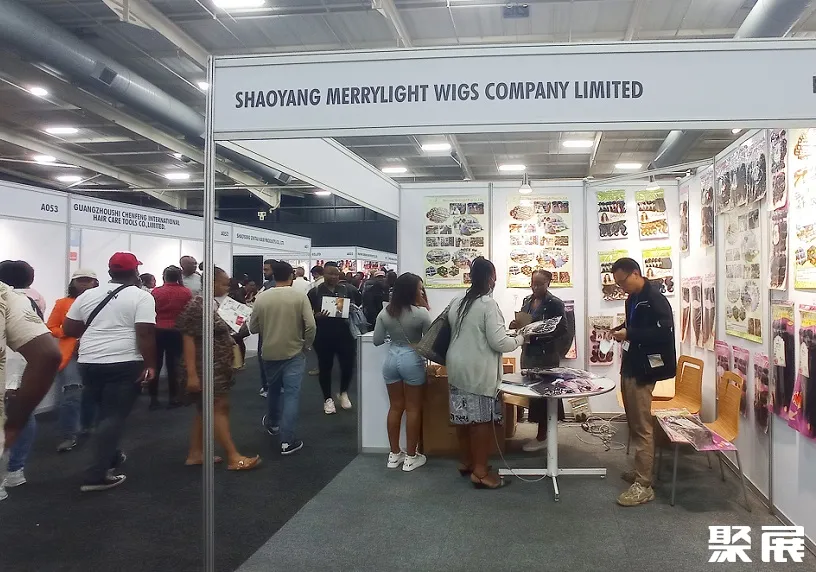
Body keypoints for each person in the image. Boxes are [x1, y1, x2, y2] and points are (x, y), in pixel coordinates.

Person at [64, 252, 157, 492]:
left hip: (89, 361)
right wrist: (150, 365)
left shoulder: (87, 295)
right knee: (113, 417)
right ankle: (96, 475)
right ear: (135, 272)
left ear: (109, 272)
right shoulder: (142, 296)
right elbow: (145, 333)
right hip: (124, 361)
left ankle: (111, 456)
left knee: (103, 414)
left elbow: (69, 328)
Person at [447, 257, 525, 489]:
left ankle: (467, 461)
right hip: (478, 371)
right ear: (491, 278)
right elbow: (499, 342)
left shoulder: (457, 300)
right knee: (480, 421)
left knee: (463, 418)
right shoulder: (487, 304)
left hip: (456, 367)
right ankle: (480, 472)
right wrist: (521, 338)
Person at [177, 267, 260, 471]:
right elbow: (188, 339)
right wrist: (192, 375)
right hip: (205, 367)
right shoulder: (199, 305)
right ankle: (233, 456)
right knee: (217, 408)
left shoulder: (212, 304)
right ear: (212, 283)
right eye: (223, 283)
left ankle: (196, 452)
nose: (227, 287)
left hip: (216, 366)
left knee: (206, 409)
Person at [610, 257, 677, 507]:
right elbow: (633, 325)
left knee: (642, 426)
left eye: (623, 281)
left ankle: (644, 484)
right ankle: (642, 471)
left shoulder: (655, 298)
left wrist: (630, 333)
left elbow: (662, 333)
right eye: (618, 284)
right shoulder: (632, 299)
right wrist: (621, 329)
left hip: (646, 369)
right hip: (632, 364)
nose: (621, 287)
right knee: (634, 420)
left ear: (636, 274)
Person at [0, 281, 61, 501]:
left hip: (17, 363)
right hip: (19, 363)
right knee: (23, 414)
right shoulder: (11, 297)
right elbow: (46, 352)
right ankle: (15, 468)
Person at [251, 261, 315, 456]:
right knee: (291, 395)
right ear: (291, 276)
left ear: (273, 275)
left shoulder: (262, 297)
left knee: (273, 390)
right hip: (294, 352)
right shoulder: (299, 297)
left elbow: (253, 327)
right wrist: (306, 344)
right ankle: (287, 441)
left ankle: (273, 424)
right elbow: (311, 326)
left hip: (269, 352)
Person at [509, 270, 573, 452]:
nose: (535, 287)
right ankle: (542, 433)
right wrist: (516, 325)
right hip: (528, 353)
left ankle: (543, 435)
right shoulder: (527, 300)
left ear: (548, 283)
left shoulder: (555, 303)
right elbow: (524, 323)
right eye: (532, 283)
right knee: (533, 394)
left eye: (539, 284)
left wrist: (541, 333)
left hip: (546, 355)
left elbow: (563, 329)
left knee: (546, 395)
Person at [372, 273, 431, 472]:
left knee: (395, 407)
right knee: (413, 408)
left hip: (391, 360)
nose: (421, 291)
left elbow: (377, 340)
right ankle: (411, 457)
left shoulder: (385, 312)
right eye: (419, 288)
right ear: (411, 290)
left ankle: (394, 454)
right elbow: (430, 341)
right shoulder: (421, 313)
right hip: (412, 360)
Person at [46, 269, 100, 452]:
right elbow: (51, 326)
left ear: (95, 282)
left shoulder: (104, 301)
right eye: (80, 280)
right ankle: (69, 435)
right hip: (71, 354)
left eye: (88, 280)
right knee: (72, 392)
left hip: (96, 352)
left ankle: (88, 425)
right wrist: (68, 333)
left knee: (92, 391)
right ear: (73, 283)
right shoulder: (62, 303)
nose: (84, 283)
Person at [308, 263, 360, 414]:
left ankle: (343, 392)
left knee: (348, 365)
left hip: (344, 332)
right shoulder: (315, 292)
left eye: (336, 274)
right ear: (324, 274)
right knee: (325, 367)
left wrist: (350, 308)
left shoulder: (345, 289)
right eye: (330, 274)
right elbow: (306, 313)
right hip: (323, 334)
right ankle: (328, 399)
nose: (334, 277)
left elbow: (355, 304)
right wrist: (316, 316)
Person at [150, 266, 192, 410]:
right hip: (177, 331)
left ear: (164, 276)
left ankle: (153, 399)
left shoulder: (156, 292)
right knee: (174, 365)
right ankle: (173, 398)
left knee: (155, 364)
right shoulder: (186, 292)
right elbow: (188, 311)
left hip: (158, 330)